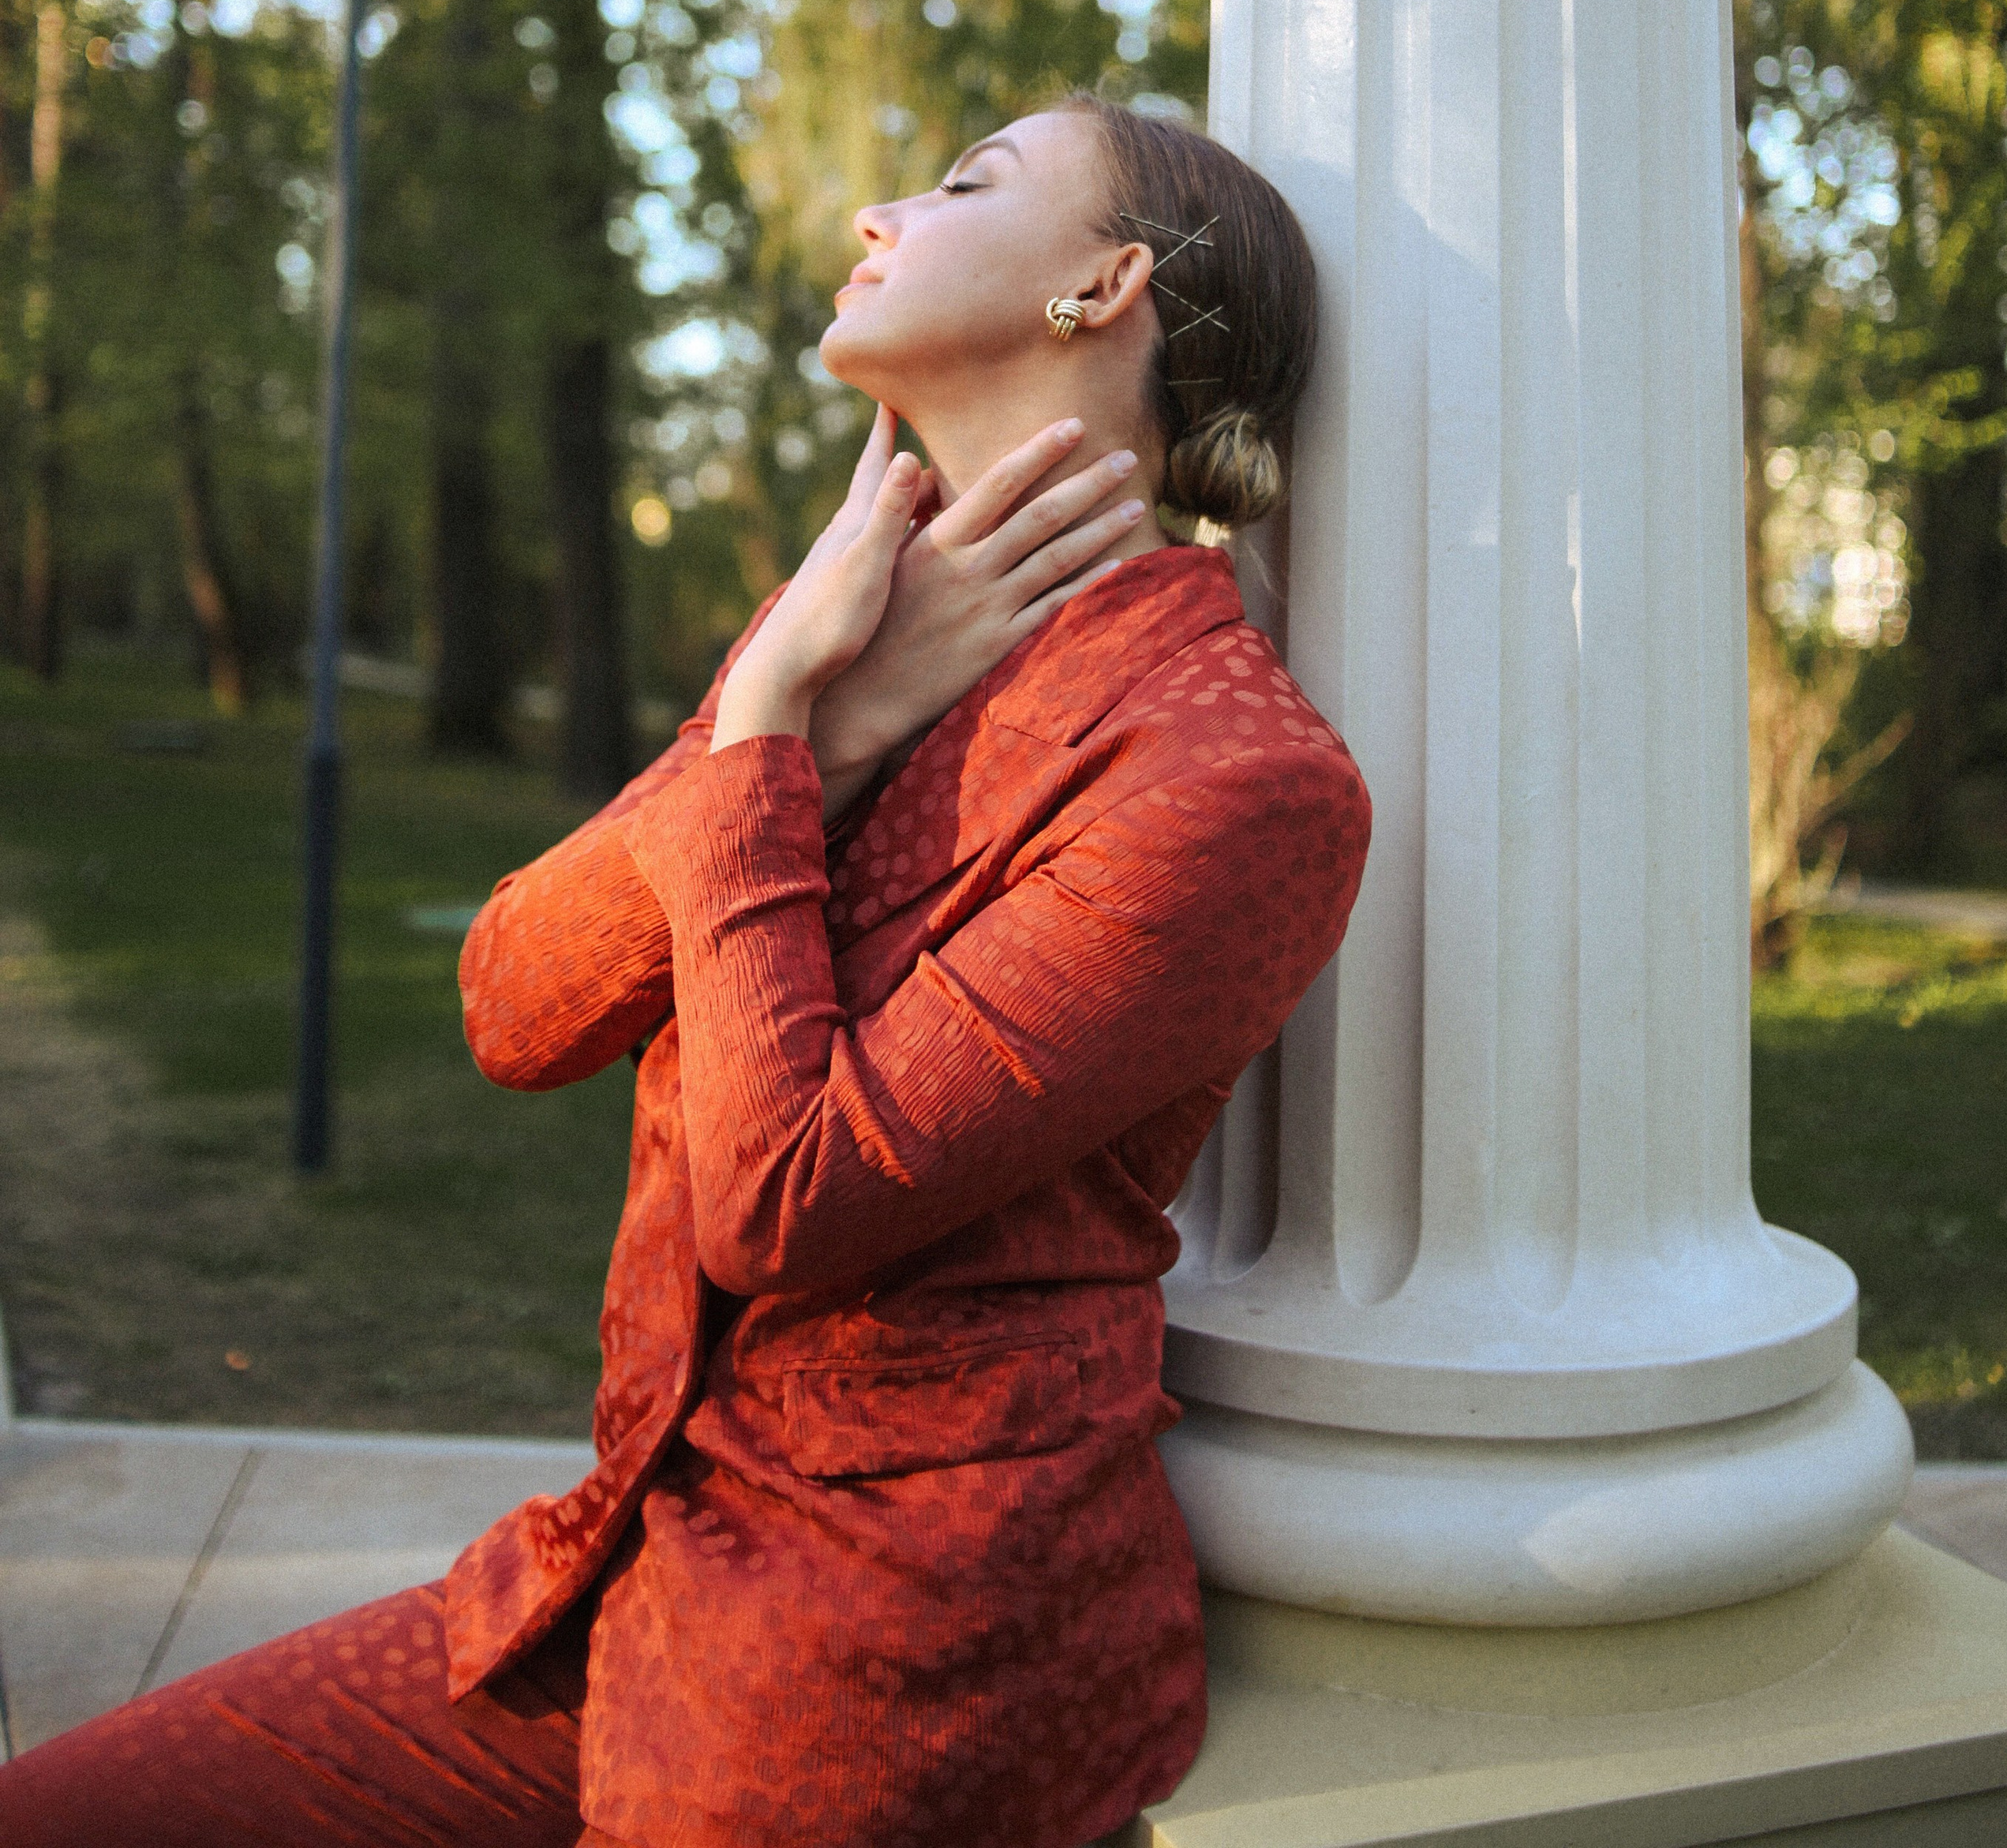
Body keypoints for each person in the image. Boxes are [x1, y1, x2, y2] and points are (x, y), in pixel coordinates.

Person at [0, 96, 1369, 1848]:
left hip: (874, 1665)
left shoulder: (1232, 778)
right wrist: (825, 712)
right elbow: (514, 1001)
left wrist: (774, 737)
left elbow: (784, 1200)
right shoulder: (844, 616)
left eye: (961, 185)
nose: (878, 211)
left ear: (1100, 290)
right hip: (611, 1575)